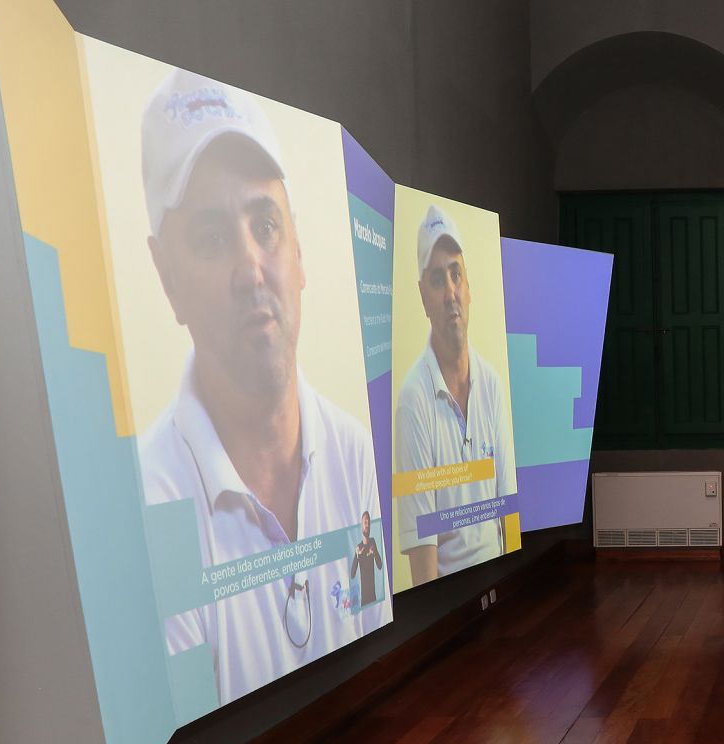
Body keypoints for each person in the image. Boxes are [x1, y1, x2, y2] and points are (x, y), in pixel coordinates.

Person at [137, 69, 391, 706]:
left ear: (299, 252)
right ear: (167, 278)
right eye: (212, 237)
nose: (251, 268)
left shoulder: (353, 452)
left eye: (266, 225)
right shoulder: (147, 509)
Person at [395, 204, 518, 584]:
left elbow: (508, 512)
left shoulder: (492, 384)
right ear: (423, 296)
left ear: (469, 287)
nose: (450, 292)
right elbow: (423, 561)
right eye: (437, 279)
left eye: (456, 274)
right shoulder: (412, 402)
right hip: (452, 598)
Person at [349, 510, 384, 607]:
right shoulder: (358, 548)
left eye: (368, 523)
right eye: (365, 522)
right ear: (361, 525)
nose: (367, 525)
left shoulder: (373, 542)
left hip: (373, 596)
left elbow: (380, 566)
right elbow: (352, 574)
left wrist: (374, 552)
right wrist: (357, 556)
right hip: (364, 599)